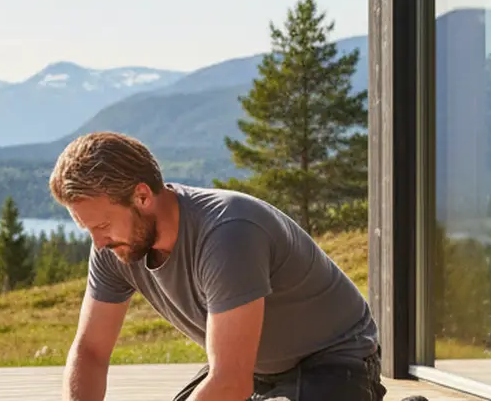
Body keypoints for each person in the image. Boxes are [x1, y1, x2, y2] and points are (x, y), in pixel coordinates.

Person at [50, 131, 410, 401]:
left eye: (101, 226)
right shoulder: (115, 247)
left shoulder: (228, 232)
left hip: (333, 357)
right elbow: (91, 351)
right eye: (87, 229)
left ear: (142, 196)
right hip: (252, 367)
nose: (97, 242)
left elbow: (229, 381)